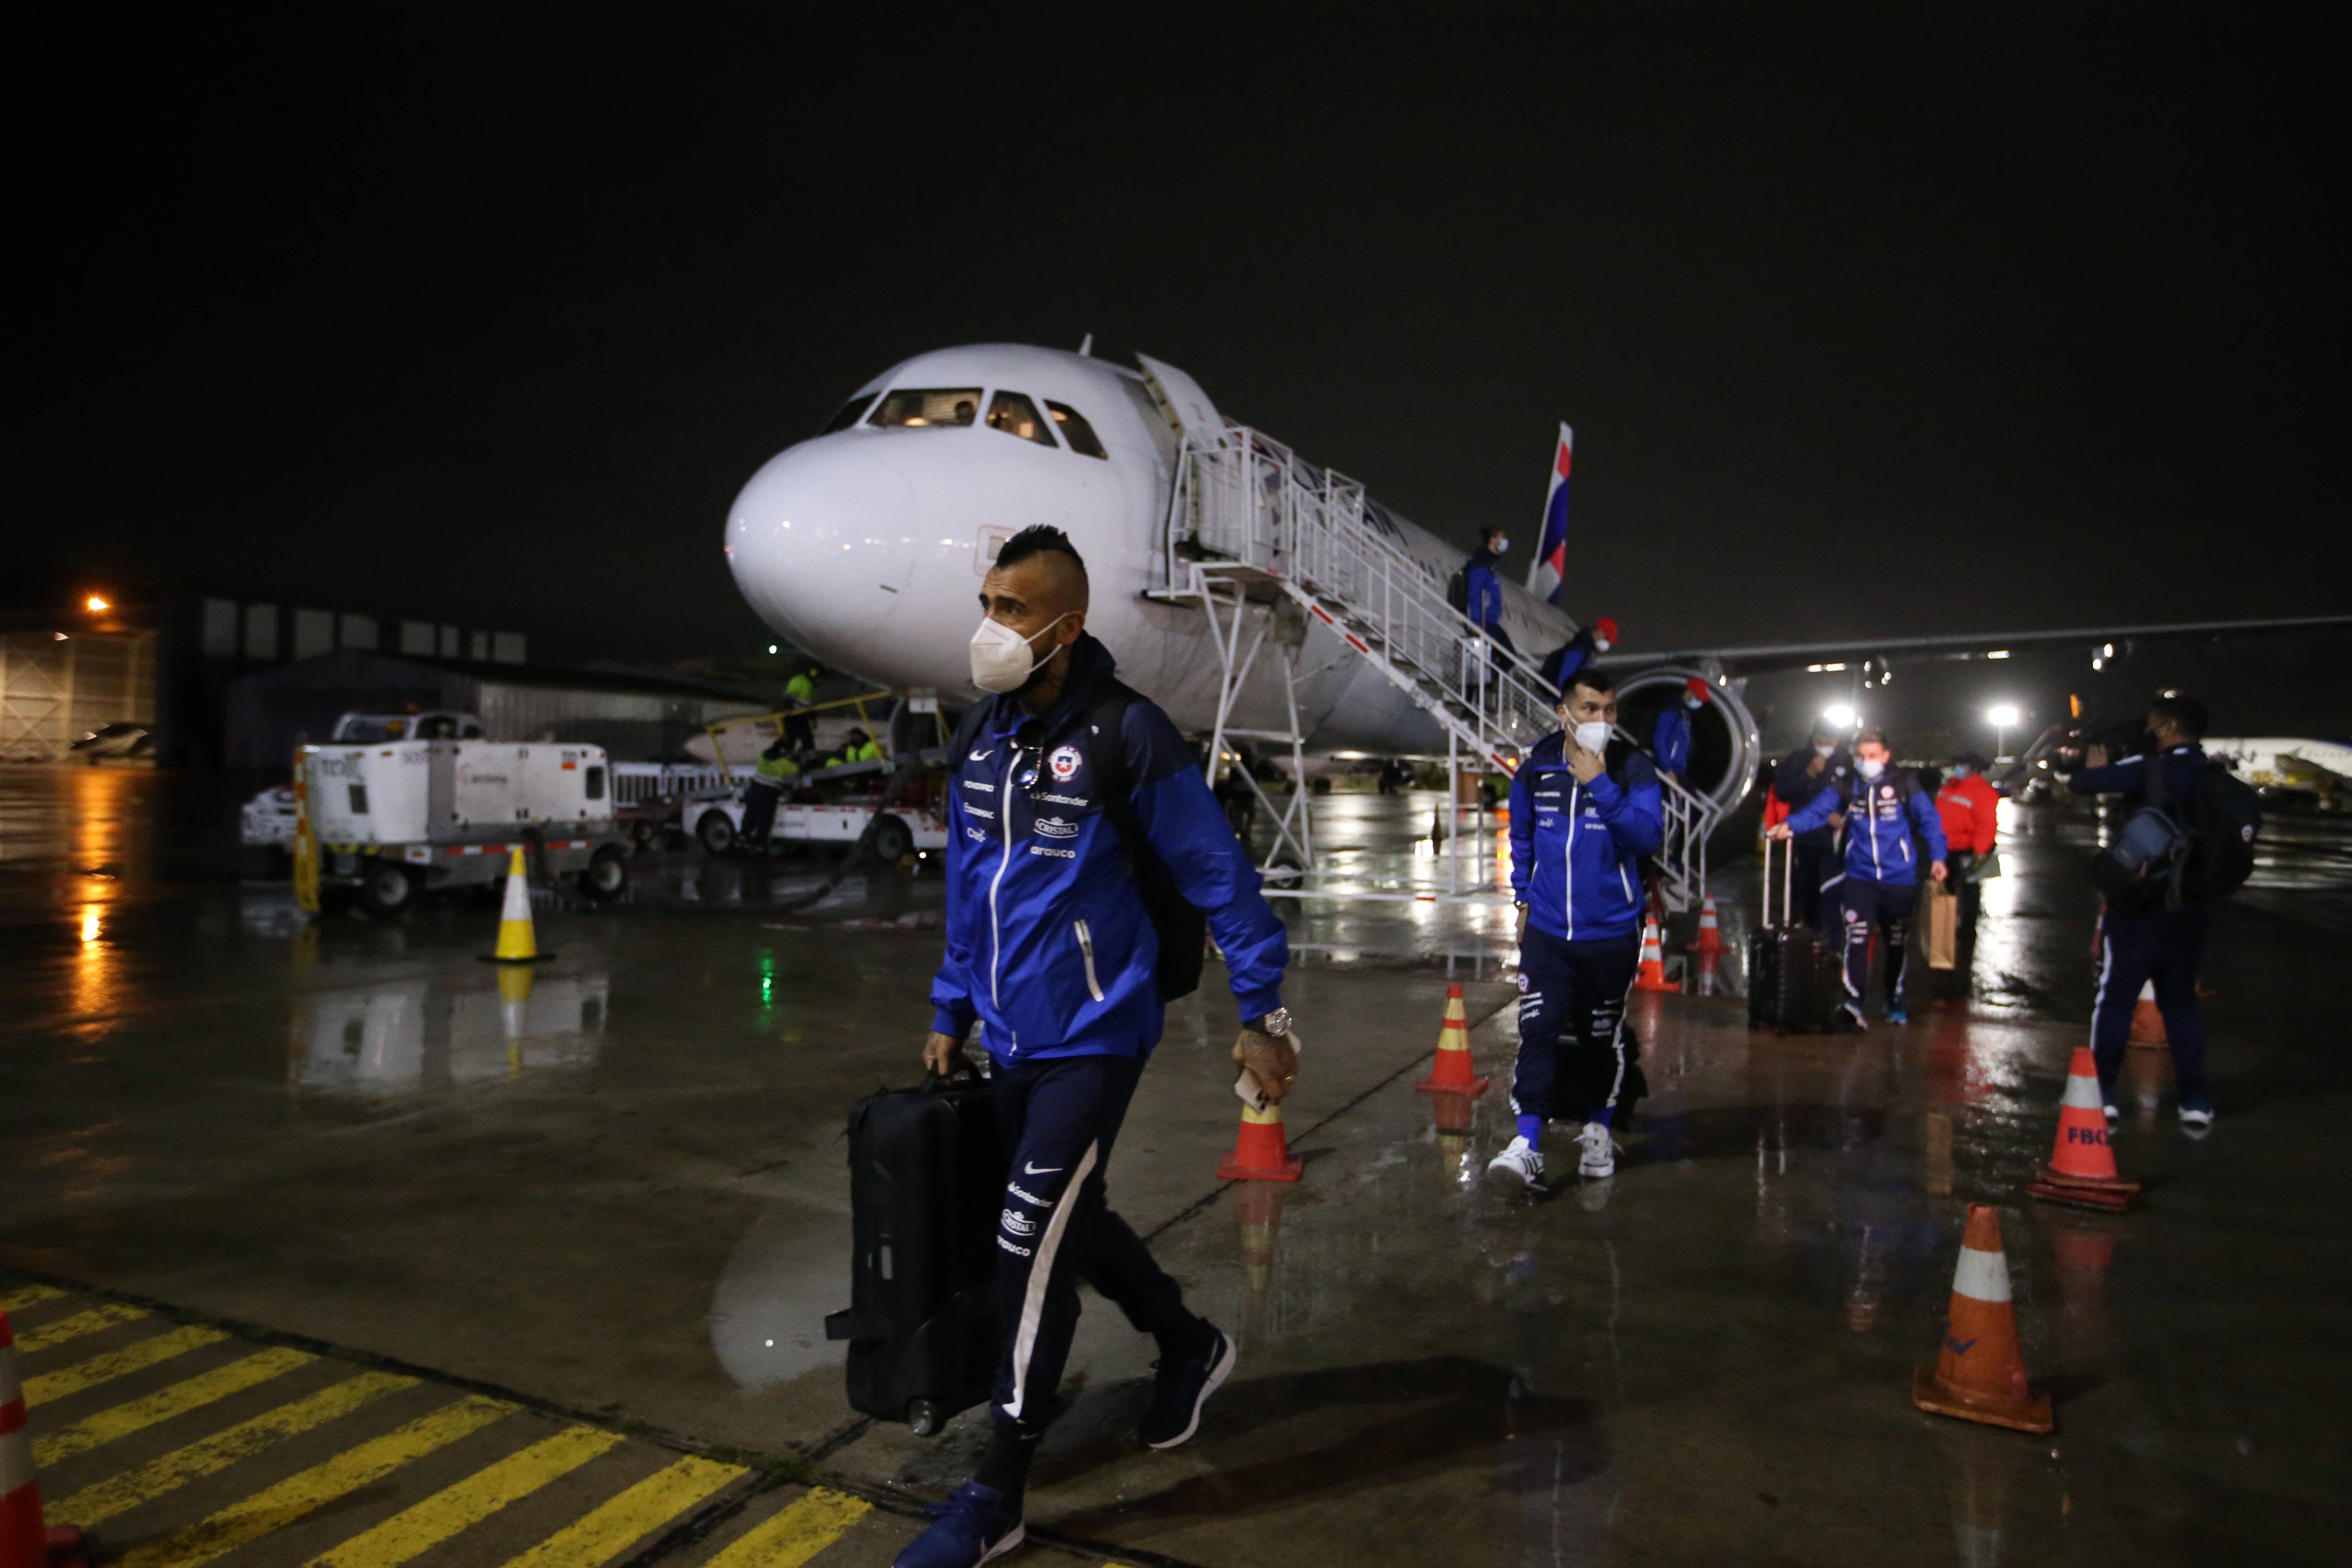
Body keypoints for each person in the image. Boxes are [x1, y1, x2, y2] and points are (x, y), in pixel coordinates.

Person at [903, 525, 1294, 1568]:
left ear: (1066, 627)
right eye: (987, 601)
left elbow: (1218, 875)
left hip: (1094, 1032)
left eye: (1013, 608)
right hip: (1010, 1034)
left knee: (1029, 1242)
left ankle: (997, 1488)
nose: (991, 626)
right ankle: (1187, 1341)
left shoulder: (1129, 733)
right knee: (1079, 1211)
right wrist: (951, 1003)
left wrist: (1262, 1012)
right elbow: (968, 885)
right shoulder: (979, 736)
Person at [1489, 665, 1664, 1190]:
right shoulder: (1537, 767)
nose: (1601, 720)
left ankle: (1598, 1129)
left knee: (1600, 1036)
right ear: (1564, 713)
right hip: (1548, 931)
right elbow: (1520, 834)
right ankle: (1527, 1144)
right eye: (1590, 709)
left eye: (1609, 710)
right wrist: (1522, 897)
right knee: (1537, 1029)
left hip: (1611, 933)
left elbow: (1646, 837)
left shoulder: (1634, 769)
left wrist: (1601, 787)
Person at [2065, 694, 2216, 1129]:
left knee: (2116, 999)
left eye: (2152, 726)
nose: (2147, 733)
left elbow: (2079, 784)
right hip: (2191, 908)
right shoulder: (2210, 774)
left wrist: (2095, 770)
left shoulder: (2151, 769)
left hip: (2141, 905)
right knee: (2181, 1005)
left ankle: (2104, 1094)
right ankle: (2196, 1101)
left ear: (2168, 729)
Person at [1769, 727, 1947, 1028]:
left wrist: (1938, 857)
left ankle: (1893, 998)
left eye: (1873, 756)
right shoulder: (1846, 786)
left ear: (1886, 756)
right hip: (1859, 876)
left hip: (1899, 878)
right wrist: (1790, 825)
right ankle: (1853, 1003)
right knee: (1858, 937)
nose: (1867, 761)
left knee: (1895, 942)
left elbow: (1929, 821)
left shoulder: (1905, 784)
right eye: (1862, 756)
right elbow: (1817, 811)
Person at [1772, 724, 1853, 929]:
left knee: (1832, 889)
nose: (1828, 744)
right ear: (1815, 737)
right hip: (1804, 837)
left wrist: (1842, 817)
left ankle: (1832, 935)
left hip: (1834, 840)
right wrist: (1808, 774)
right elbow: (1783, 792)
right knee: (1804, 888)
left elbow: (1851, 795)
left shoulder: (1846, 761)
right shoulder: (1799, 759)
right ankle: (1806, 930)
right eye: (1823, 739)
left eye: (1833, 739)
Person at [1935, 751, 2001, 940]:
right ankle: (1946, 928)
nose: (1957, 768)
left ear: (1973, 769)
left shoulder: (1983, 792)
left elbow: (1986, 825)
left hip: (1966, 849)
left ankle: (1966, 932)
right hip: (1945, 847)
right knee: (1946, 890)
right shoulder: (1950, 787)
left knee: (1969, 891)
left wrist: (1980, 853)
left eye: (1962, 765)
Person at [1461, 528, 1516, 656]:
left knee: (1503, 657)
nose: (1505, 542)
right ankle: (1495, 676)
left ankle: (1494, 676)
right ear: (1493, 540)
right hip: (1483, 622)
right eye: (1503, 538)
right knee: (1508, 657)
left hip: (1490, 622)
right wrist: (1476, 624)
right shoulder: (1482, 563)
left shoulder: (1491, 564)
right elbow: (1474, 592)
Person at [738, 736, 799, 853]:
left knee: (750, 813)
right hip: (769, 792)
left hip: (755, 788)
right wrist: (796, 760)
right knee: (765, 817)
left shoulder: (763, 755)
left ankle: (743, 837)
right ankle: (760, 843)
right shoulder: (784, 763)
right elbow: (796, 770)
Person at [1538, 615, 1616, 692]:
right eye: (1607, 638)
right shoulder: (1580, 648)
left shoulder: (1586, 649)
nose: (1608, 643)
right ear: (1599, 632)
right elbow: (1565, 677)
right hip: (1564, 696)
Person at [1652, 677, 1706, 784]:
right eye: (1698, 698)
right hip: (1669, 770)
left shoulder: (1685, 712)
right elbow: (1660, 739)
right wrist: (1667, 769)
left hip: (1678, 770)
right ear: (1689, 693)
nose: (1699, 702)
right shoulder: (1672, 710)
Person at [784, 664, 819, 751]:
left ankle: (809, 758)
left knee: (807, 740)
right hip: (793, 715)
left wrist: (813, 719)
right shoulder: (799, 681)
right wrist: (789, 708)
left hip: (802, 716)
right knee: (791, 740)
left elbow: (811, 705)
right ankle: (789, 758)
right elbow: (788, 697)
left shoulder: (812, 686)